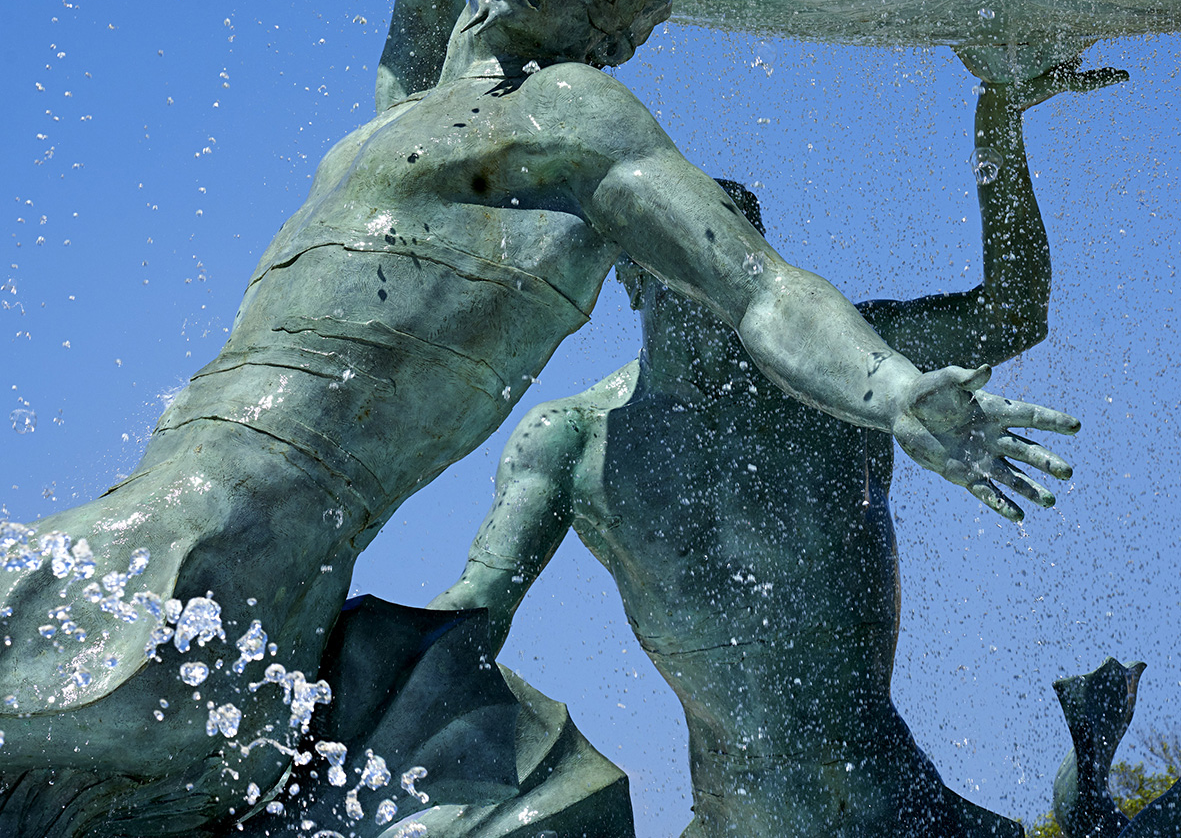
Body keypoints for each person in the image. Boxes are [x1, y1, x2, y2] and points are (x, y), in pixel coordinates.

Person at [0, 0, 1079, 836]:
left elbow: (757, 284)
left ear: (608, 34)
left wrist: (889, 388)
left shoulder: (575, 116)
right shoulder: (439, 135)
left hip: (203, 559)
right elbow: (410, 95)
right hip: (170, 541)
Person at [428, 66, 1125, 837]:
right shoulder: (569, 439)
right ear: (628, 272)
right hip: (732, 818)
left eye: (736, 250)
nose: (716, 275)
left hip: (896, 809)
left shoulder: (852, 370)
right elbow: (466, 622)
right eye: (690, 255)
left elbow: (1013, 309)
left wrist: (997, 127)